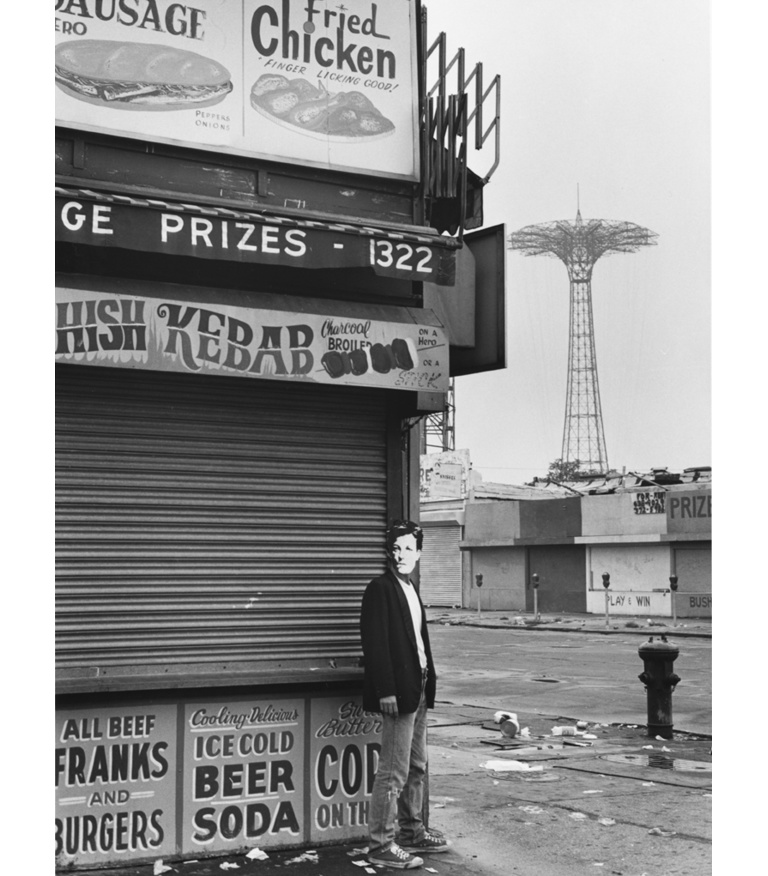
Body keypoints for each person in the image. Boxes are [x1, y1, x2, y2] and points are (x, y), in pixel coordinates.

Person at [360, 520, 450, 870]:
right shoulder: (380, 589)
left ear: (419, 553)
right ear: (388, 551)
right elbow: (375, 643)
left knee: (417, 765)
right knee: (393, 772)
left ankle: (412, 831)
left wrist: (427, 683)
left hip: (418, 687)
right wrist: (385, 690)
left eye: (408, 548)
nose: (401, 555)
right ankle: (381, 845)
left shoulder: (410, 588)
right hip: (398, 692)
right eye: (395, 548)